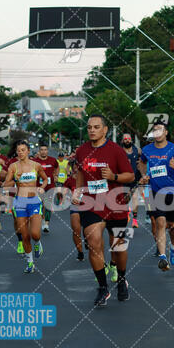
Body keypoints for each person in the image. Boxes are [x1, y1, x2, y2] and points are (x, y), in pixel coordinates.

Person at [72, 114, 134, 307]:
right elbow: (81, 173)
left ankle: (122, 279)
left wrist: (113, 175)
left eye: (96, 127)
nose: (92, 130)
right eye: (89, 127)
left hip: (116, 203)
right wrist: (78, 190)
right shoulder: (82, 151)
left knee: (118, 246)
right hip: (92, 203)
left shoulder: (116, 150)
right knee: (93, 241)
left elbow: (130, 176)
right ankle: (102, 287)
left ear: (105, 130)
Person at [139, 120, 174, 271]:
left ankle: (173, 248)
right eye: (154, 130)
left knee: (172, 225)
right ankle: (162, 257)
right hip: (154, 192)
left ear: (166, 132)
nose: (157, 132)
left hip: (172, 192)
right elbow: (141, 163)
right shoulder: (147, 150)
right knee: (160, 222)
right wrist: (144, 174)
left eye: (160, 130)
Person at [3, 141, 47, 273]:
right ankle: (30, 263)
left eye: (23, 150)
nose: (20, 152)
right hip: (20, 202)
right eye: (19, 150)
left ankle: (38, 243)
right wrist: (15, 179)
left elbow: (45, 179)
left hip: (34, 201)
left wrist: (42, 188)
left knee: (35, 234)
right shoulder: (13, 167)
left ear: (28, 151)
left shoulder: (36, 165)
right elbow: (6, 184)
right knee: (25, 236)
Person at [33, 143, 58, 233]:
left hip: (50, 186)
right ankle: (43, 220)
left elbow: (56, 167)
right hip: (39, 186)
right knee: (41, 204)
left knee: (48, 204)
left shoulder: (53, 160)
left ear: (47, 151)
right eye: (42, 150)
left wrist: (55, 175)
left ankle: (46, 224)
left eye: (45, 150)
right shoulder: (35, 161)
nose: (43, 151)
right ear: (39, 151)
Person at [64, 162, 84, 261]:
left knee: (89, 231)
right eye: (74, 167)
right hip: (75, 207)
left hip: (89, 206)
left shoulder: (87, 179)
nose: (76, 169)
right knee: (76, 230)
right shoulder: (69, 180)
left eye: (78, 167)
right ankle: (80, 252)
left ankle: (89, 242)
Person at [121, 133, 141, 228]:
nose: (127, 140)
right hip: (123, 178)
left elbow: (144, 159)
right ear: (122, 141)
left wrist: (140, 164)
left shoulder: (137, 150)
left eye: (129, 138)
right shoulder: (120, 151)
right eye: (125, 139)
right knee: (126, 199)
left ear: (131, 140)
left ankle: (135, 220)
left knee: (135, 197)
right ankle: (127, 210)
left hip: (134, 178)